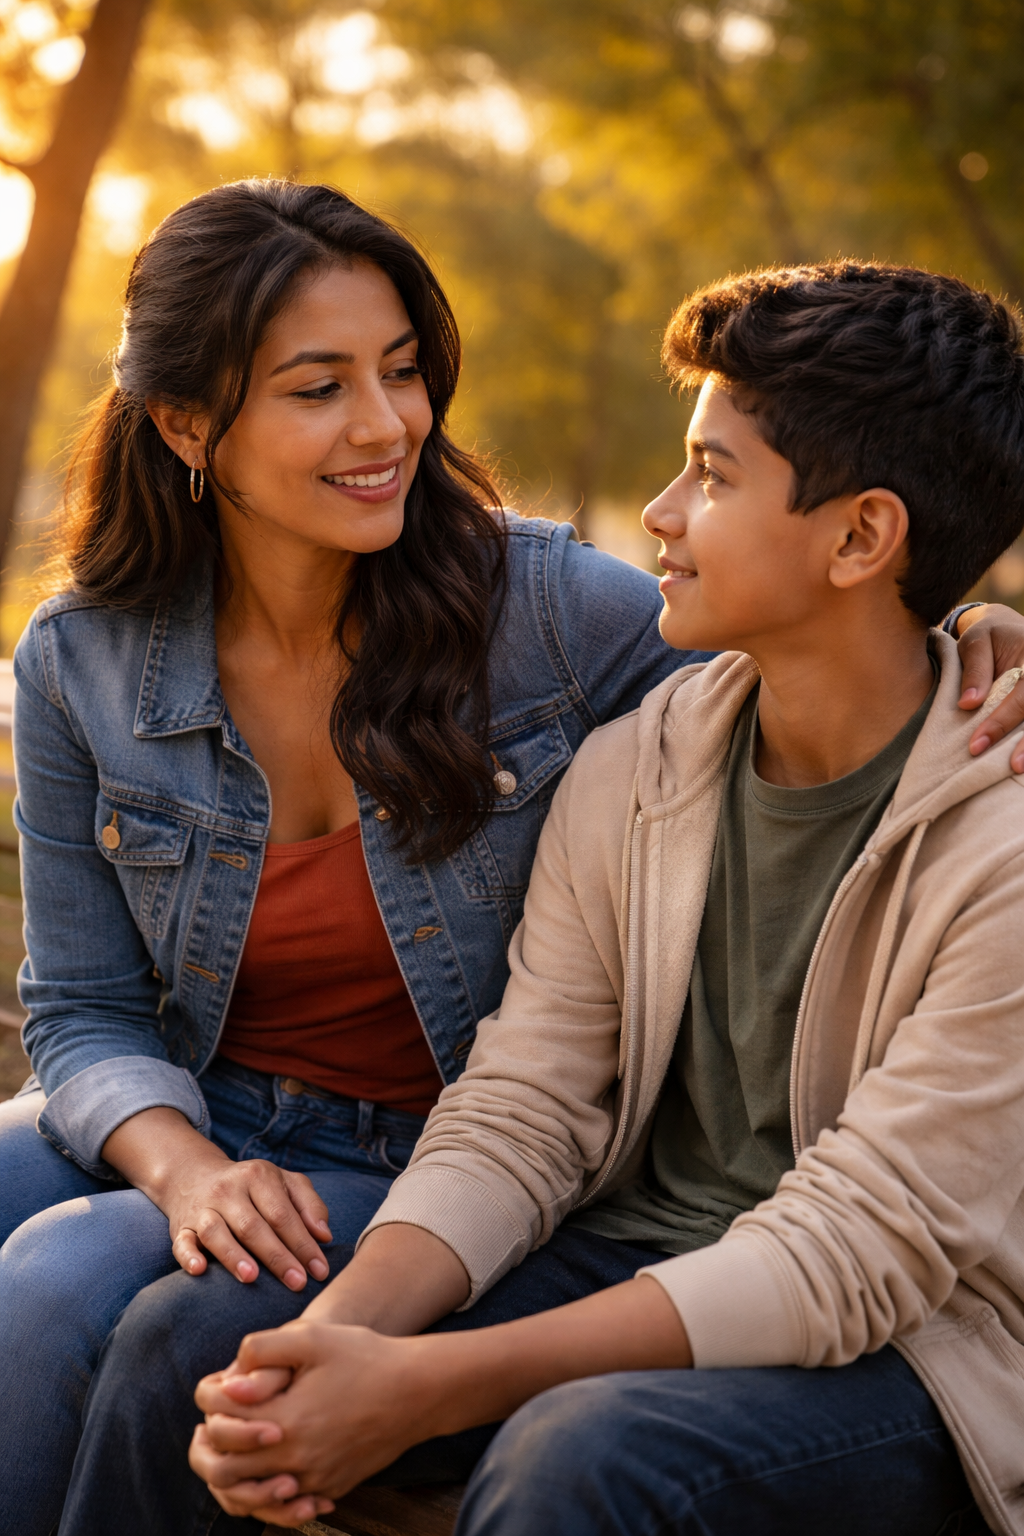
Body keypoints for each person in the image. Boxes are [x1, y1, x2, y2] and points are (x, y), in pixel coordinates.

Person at [185, 261, 1024, 1536]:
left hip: (917, 1350)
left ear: (860, 538)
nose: (659, 512)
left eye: (713, 476)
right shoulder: (640, 764)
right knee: (205, 1351)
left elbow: (859, 1249)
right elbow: (525, 1105)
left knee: (582, 1456)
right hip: (631, 1247)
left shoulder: (1001, 841)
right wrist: (337, 1342)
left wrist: (426, 1387)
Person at [0, 176, 722, 1536]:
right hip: (200, 1111)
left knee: (62, 1286)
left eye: (400, 371)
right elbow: (83, 1010)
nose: (386, 424)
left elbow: (808, 658)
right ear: (187, 424)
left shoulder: (549, 612)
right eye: (318, 387)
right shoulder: (81, 659)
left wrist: (972, 641)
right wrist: (189, 1170)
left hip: (446, 1158)